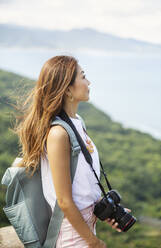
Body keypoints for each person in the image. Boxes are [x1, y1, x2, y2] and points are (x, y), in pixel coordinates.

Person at [14, 55, 131, 248]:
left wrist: (106, 210)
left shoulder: (77, 122)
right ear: (68, 89)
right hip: (72, 235)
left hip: (83, 226)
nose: (88, 82)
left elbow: (81, 182)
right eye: (83, 76)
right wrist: (94, 243)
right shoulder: (58, 134)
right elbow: (64, 201)